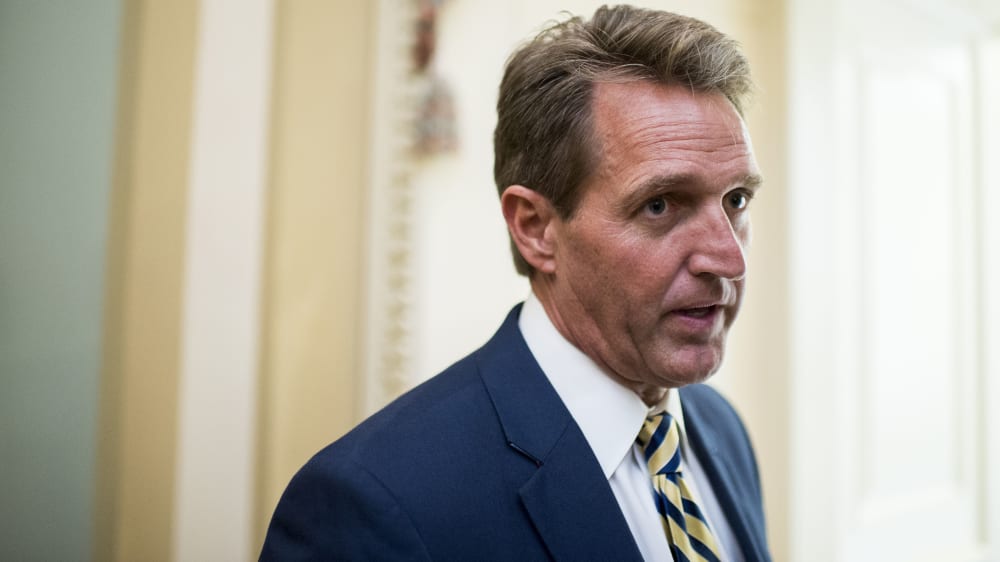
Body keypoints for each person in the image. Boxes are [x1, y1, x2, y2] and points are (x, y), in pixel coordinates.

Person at [261, 5, 771, 561]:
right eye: (659, 205)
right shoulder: (370, 504)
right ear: (535, 229)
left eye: (736, 200)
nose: (729, 259)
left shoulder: (719, 432)